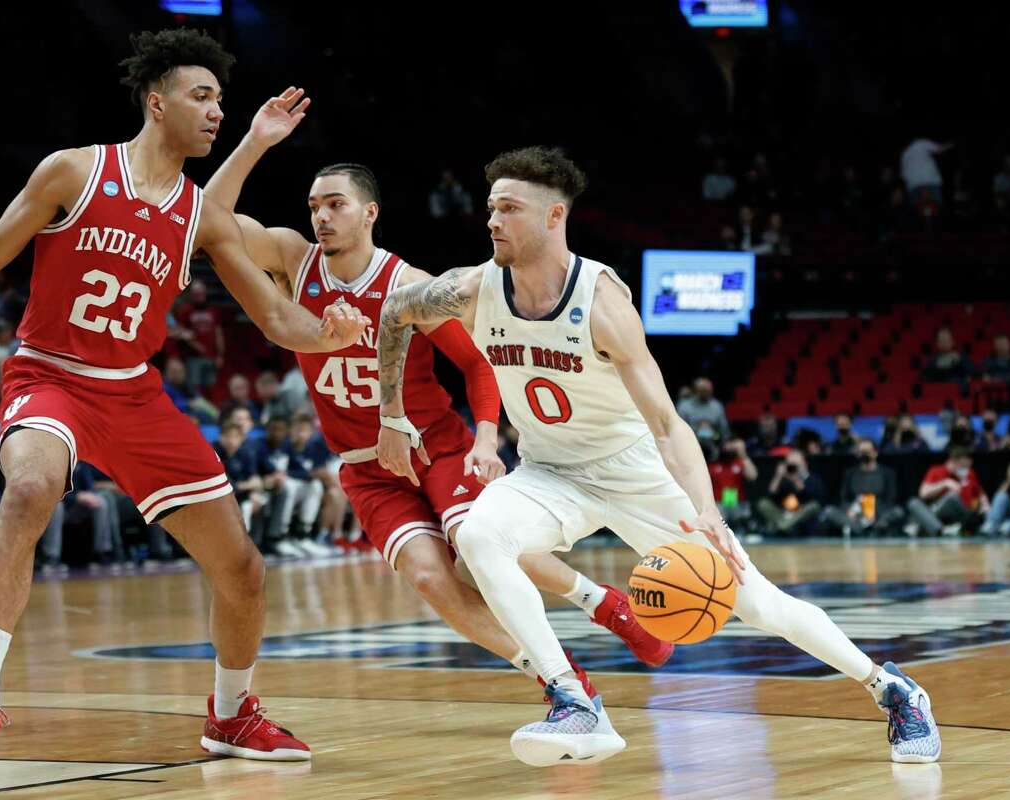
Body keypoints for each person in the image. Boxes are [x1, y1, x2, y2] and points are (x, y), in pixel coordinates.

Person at [0, 30, 371, 770]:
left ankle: (230, 715)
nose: (216, 111)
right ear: (155, 102)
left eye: (221, 101)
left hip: (133, 392)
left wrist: (327, 332)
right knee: (31, 486)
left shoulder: (203, 216)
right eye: (202, 96)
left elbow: (274, 317)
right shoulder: (75, 171)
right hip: (50, 373)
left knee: (244, 569)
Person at [376, 145, 939, 766]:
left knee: (754, 603)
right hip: (548, 471)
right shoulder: (472, 287)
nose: (492, 221)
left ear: (554, 216)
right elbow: (395, 312)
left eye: (509, 209)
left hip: (631, 469)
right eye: (491, 209)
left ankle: (892, 690)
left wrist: (707, 513)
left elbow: (669, 425)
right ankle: (574, 702)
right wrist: (392, 415)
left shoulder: (603, 302)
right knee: (480, 535)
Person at [203, 89, 667, 682]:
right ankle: (558, 676)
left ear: (369, 213)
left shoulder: (410, 284)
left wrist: (483, 439)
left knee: (481, 544)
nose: (321, 216)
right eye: (314, 205)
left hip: (435, 447)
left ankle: (603, 604)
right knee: (429, 577)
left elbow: (478, 365)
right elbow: (204, 223)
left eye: (336, 205)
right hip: (365, 465)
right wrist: (256, 141)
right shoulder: (294, 260)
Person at [820, 439, 905, 536]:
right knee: (829, 511)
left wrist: (875, 512)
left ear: (875, 453)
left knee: (898, 512)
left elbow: (891, 499)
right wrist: (849, 510)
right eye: (861, 452)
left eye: (867, 452)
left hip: (879, 513)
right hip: (856, 512)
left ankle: (870, 527)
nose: (864, 455)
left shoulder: (887, 473)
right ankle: (863, 529)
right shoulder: (850, 473)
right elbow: (844, 497)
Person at [906, 447, 988, 536]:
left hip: (960, 513)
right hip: (937, 512)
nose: (965, 469)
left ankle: (924, 526)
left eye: (967, 467)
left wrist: (986, 505)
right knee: (913, 503)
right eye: (962, 466)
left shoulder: (969, 474)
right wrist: (945, 483)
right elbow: (923, 493)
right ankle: (941, 530)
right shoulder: (935, 471)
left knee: (952, 496)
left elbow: (980, 493)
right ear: (952, 462)